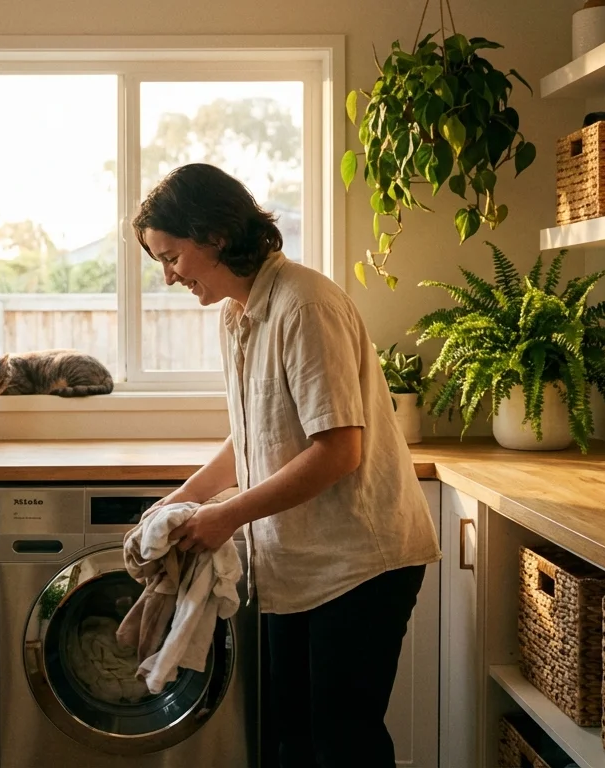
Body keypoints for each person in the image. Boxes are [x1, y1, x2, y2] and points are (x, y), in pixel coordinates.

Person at [133, 163, 441, 767]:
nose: (168, 277)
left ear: (214, 235)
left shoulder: (305, 305)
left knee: (342, 744)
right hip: (296, 561)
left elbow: (338, 450)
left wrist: (226, 519)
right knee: (291, 739)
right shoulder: (238, 313)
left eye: (171, 258)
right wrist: (178, 502)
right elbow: (249, 435)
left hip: (359, 564)